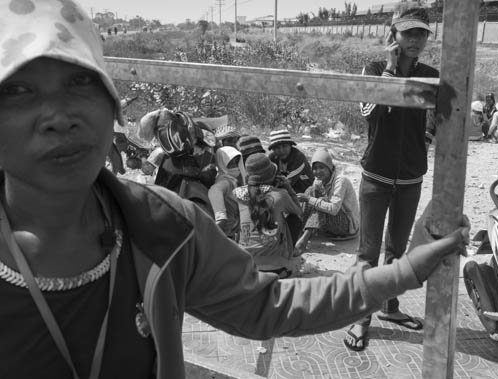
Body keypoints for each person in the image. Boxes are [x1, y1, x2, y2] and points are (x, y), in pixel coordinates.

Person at [0, 1, 469, 378]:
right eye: (17, 91)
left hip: (407, 178)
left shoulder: (164, 227)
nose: (59, 116)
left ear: (112, 103)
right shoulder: (371, 77)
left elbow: (267, 304)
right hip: (374, 178)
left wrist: (406, 271)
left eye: (82, 81)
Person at [344, 6, 440, 351]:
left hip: (411, 177)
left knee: (397, 252)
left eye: (421, 33)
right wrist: (388, 70)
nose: (415, 40)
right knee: (367, 253)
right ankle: (361, 317)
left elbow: (438, 114)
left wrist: (425, 140)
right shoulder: (373, 69)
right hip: (376, 174)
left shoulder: (431, 73)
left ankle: (390, 307)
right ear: (393, 35)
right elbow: (367, 112)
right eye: (407, 33)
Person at [233, 153, 302, 279]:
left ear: (248, 176)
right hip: (277, 270)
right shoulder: (280, 195)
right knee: (294, 219)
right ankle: (289, 256)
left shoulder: (237, 194)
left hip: (246, 268)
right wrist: (287, 186)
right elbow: (298, 212)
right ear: (273, 175)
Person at [295, 148, 360, 253]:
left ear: (330, 168)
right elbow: (311, 199)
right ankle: (300, 230)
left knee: (318, 201)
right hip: (332, 223)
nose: (318, 171)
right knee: (310, 191)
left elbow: (333, 209)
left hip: (347, 226)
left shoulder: (341, 181)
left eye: (322, 167)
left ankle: (304, 239)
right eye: (315, 168)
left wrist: (309, 199)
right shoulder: (318, 181)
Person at [208, 146, 245, 239]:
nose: (235, 167)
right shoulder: (225, 181)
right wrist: (221, 216)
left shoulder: (233, 180)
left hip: (233, 232)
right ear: (222, 163)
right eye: (230, 164)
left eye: (236, 163)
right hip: (226, 233)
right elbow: (215, 190)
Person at [267, 129, 314, 194]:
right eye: (277, 148)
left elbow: (289, 181)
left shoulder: (299, 157)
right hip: (282, 186)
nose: (281, 150)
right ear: (273, 149)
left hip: (303, 188)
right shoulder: (272, 158)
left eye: (284, 146)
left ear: (290, 146)